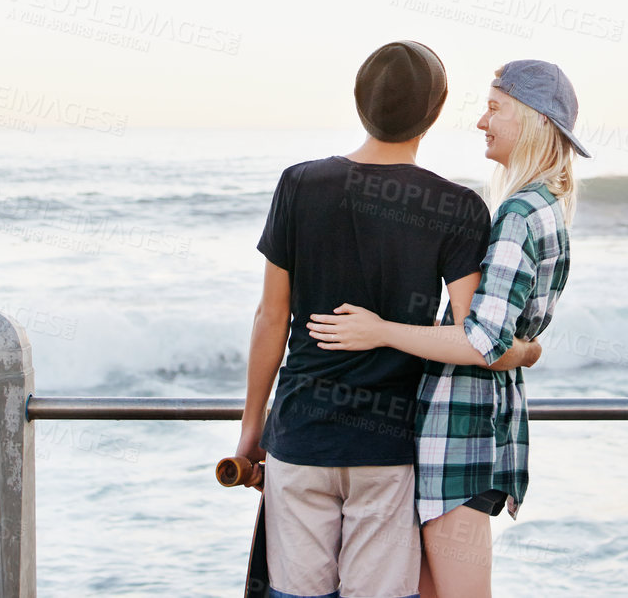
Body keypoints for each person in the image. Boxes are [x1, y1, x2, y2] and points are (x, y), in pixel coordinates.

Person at [235, 41, 543, 598]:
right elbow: (471, 335)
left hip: (301, 436)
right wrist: (523, 349)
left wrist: (250, 431)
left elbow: (270, 318)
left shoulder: (299, 184)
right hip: (389, 449)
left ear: (359, 102)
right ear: (434, 114)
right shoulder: (458, 207)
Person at [308, 59, 586, 598]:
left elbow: (482, 341)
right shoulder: (548, 206)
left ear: (531, 120)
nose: (482, 122)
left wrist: (380, 330)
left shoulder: (518, 213)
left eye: (494, 109)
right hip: (484, 424)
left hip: (458, 432)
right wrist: (526, 351)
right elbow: (508, 341)